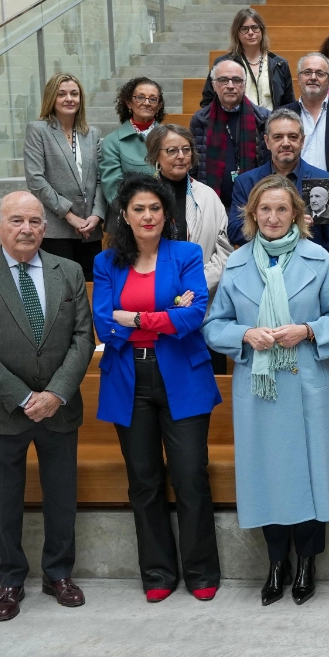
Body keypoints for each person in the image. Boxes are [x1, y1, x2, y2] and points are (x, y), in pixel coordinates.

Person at [203, 176, 329, 607]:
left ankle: (307, 562)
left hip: (307, 385)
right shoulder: (236, 265)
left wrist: (307, 329)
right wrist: (244, 334)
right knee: (267, 474)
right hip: (260, 391)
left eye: (282, 209)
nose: (273, 217)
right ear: (252, 214)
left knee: (309, 472)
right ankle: (275, 563)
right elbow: (214, 326)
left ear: (297, 215)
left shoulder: (319, 260)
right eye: (265, 209)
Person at [0, 191, 95, 622]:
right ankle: (11, 579)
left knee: (61, 498)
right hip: (1, 411)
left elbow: (83, 339)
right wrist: (24, 397)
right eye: (17, 220)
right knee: (4, 502)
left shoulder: (69, 272)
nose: (27, 229)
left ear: (45, 228)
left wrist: (55, 394)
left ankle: (59, 574)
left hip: (59, 408)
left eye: (35, 221)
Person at [92, 174, 222, 603]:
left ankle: (201, 571)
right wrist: (163, 317)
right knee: (143, 480)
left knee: (189, 475)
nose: (147, 216)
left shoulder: (186, 254)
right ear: (125, 216)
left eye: (155, 208)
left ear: (166, 215)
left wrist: (135, 319)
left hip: (183, 376)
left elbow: (193, 316)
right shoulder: (106, 263)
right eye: (139, 209)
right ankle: (157, 572)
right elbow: (104, 325)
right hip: (128, 378)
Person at [229, 108, 329, 274]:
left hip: (309, 274)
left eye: (293, 137)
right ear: (267, 142)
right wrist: (283, 223)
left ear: (302, 141)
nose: (286, 143)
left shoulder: (320, 182)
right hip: (259, 272)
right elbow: (234, 232)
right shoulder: (248, 182)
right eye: (278, 137)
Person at [24, 73, 105, 279]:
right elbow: (36, 180)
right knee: (61, 290)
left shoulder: (91, 133)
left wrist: (97, 215)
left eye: (74, 94)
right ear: (51, 98)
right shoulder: (38, 130)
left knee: (91, 288)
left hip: (89, 230)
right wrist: (69, 215)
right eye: (62, 94)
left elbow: (100, 178)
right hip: (57, 229)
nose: (69, 99)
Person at [146, 125, 233, 295]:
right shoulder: (140, 197)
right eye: (172, 150)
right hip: (152, 293)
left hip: (200, 293)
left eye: (186, 150)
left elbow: (224, 251)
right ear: (156, 155)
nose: (181, 156)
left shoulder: (209, 196)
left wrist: (196, 285)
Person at [191, 58, 269, 207]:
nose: (231, 86)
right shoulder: (200, 120)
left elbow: (269, 165)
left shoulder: (263, 119)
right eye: (223, 80)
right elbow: (194, 167)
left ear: (244, 85)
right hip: (211, 204)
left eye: (237, 80)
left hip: (254, 203)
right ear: (214, 85)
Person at [199, 7, 293, 110]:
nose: (251, 32)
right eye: (244, 29)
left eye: (255, 27)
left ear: (262, 30)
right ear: (237, 33)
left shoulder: (280, 64)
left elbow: (289, 104)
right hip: (236, 119)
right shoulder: (223, 63)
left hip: (272, 119)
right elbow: (208, 101)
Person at [100, 76, 165, 209]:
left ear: (159, 106)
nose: (146, 103)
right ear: (129, 103)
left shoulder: (169, 137)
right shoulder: (112, 141)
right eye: (140, 97)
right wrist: (135, 213)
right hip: (129, 215)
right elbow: (113, 189)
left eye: (153, 99)